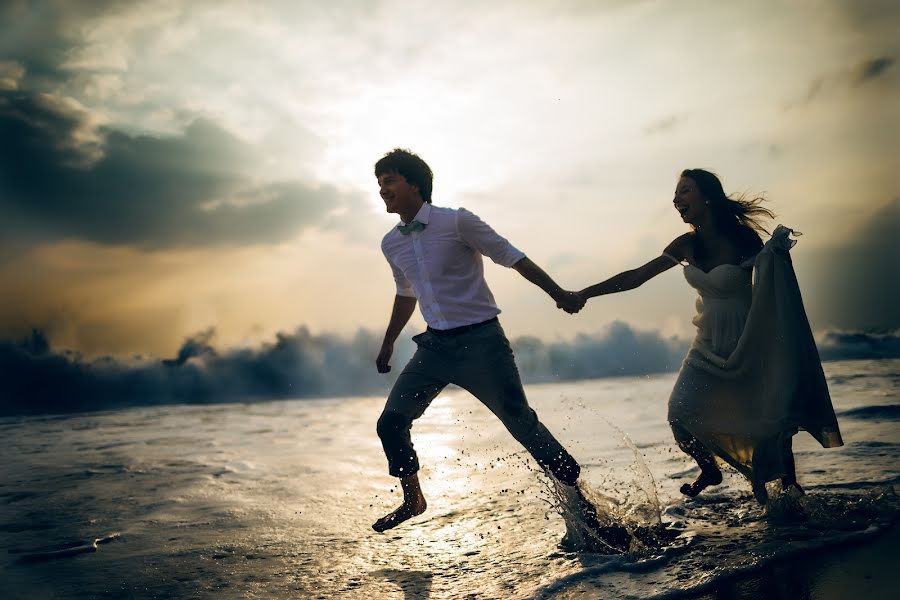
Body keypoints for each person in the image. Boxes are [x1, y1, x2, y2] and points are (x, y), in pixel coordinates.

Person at [577, 169, 843, 504]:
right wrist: (585, 293)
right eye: (675, 194)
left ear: (707, 196)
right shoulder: (686, 244)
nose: (676, 200)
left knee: (769, 426)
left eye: (684, 191)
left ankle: (790, 498)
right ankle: (710, 469)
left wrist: (777, 256)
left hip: (749, 344)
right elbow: (637, 277)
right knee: (680, 412)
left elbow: (772, 288)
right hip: (706, 347)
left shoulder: (743, 239)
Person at [372, 148, 588, 532]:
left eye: (389, 180)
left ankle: (581, 502)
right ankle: (413, 498)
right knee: (390, 423)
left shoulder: (457, 222)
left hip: (481, 342)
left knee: (522, 424)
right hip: (434, 347)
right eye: (379, 183)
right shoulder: (392, 243)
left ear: (415, 184)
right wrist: (389, 341)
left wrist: (558, 292)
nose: (382, 189)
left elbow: (512, 256)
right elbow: (406, 292)